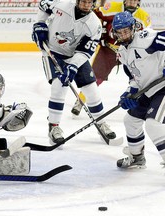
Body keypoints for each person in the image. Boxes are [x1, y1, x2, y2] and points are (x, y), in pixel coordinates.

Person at [31, 0, 117, 146]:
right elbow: (43, 5)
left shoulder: (94, 24)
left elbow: (84, 51)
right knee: (59, 86)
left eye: (89, 3)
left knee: (91, 90)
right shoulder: (61, 4)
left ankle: (101, 122)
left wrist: (73, 67)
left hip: (76, 55)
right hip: (52, 52)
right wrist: (39, 23)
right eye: (83, 1)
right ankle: (54, 127)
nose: (86, 5)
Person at [71, 0, 151, 116]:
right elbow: (94, 15)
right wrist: (99, 33)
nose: (131, 2)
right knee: (95, 77)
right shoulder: (112, 7)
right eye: (129, 0)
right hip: (109, 50)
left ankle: (145, 104)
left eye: (134, 0)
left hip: (131, 52)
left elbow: (146, 37)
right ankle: (80, 101)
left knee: (140, 78)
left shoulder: (144, 17)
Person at [111, 11, 165, 168]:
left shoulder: (144, 38)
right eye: (120, 32)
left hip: (162, 88)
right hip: (149, 90)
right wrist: (130, 93)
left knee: (153, 124)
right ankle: (137, 158)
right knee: (130, 121)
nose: (124, 35)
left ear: (133, 28)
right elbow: (135, 78)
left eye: (126, 31)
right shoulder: (122, 52)